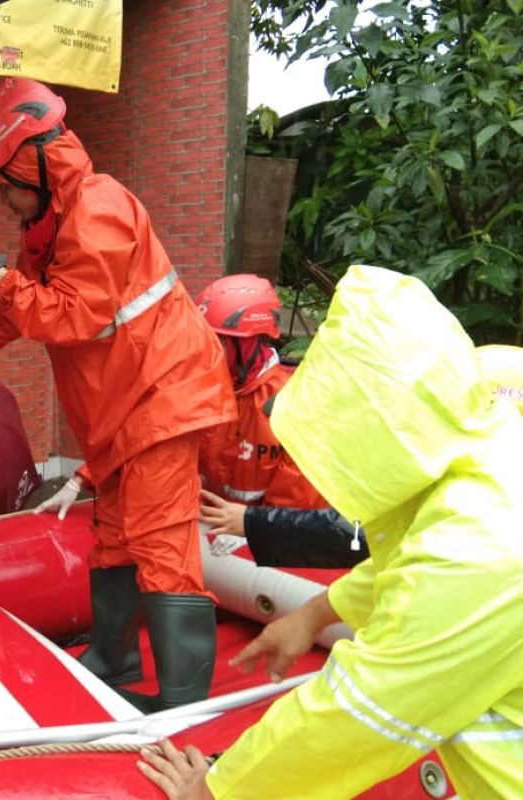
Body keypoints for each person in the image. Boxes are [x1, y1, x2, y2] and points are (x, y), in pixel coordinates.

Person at [0, 78, 236, 710]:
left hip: (162, 401)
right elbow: (17, 313)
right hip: (124, 414)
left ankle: (185, 706)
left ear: (32, 162)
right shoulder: (53, 226)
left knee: (161, 546)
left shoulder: (98, 208)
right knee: (113, 539)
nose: (3, 202)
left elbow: (70, 317)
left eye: (5, 186)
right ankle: (113, 662)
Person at [137, 266, 523, 800]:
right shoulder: (482, 448)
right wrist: (314, 615)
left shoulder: (480, 550)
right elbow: (410, 563)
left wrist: (218, 789)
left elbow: (357, 716)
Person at [195, 274, 366, 569]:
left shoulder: (294, 398)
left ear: (248, 344)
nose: (205, 352)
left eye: (218, 341)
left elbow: (298, 488)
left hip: (273, 537)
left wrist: (256, 528)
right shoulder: (205, 389)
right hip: (214, 525)